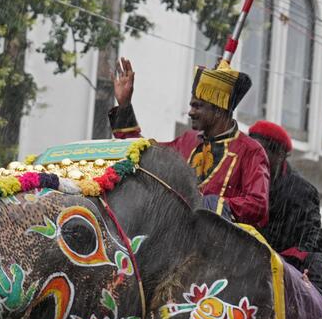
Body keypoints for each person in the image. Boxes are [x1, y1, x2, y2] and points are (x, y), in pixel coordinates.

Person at [110, 58, 270, 228]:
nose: (190, 112)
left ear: (218, 111)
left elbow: (258, 205)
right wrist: (124, 105)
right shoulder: (187, 141)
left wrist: (212, 205)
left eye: (197, 106)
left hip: (222, 243)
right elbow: (145, 155)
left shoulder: (251, 151)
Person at [248, 120, 322, 319]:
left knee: (320, 264)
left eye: (261, 152)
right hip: (247, 250)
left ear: (279, 156)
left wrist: (289, 258)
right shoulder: (243, 178)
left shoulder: (303, 190)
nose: (255, 158)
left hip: (292, 259)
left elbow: (313, 237)